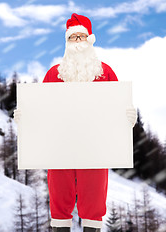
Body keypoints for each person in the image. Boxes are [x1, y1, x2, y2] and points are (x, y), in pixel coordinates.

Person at [14, 13, 137, 232]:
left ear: (90, 40)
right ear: (67, 42)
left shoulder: (105, 73)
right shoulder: (54, 74)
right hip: (60, 147)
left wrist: (127, 118)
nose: (78, 42)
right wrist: (26, 118)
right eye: (73, 38)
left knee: (94, 199)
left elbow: (116, 107)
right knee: (59, 198)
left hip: (95, 148)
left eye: (81, 37)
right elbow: (42, 110)